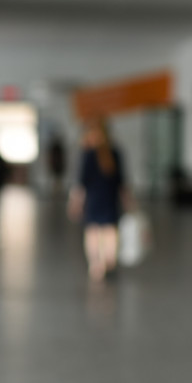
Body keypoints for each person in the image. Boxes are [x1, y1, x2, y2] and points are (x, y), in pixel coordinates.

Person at [68, 120, 129, 282]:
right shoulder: (115, 153)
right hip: (110, 198)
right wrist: (128, 201)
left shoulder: (88, 155)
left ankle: (96, 264)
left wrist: (75, 202)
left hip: (94, 199)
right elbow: (121, 182)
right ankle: (110, 261)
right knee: (110, 231)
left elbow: (82, 183)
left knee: (93, 232)